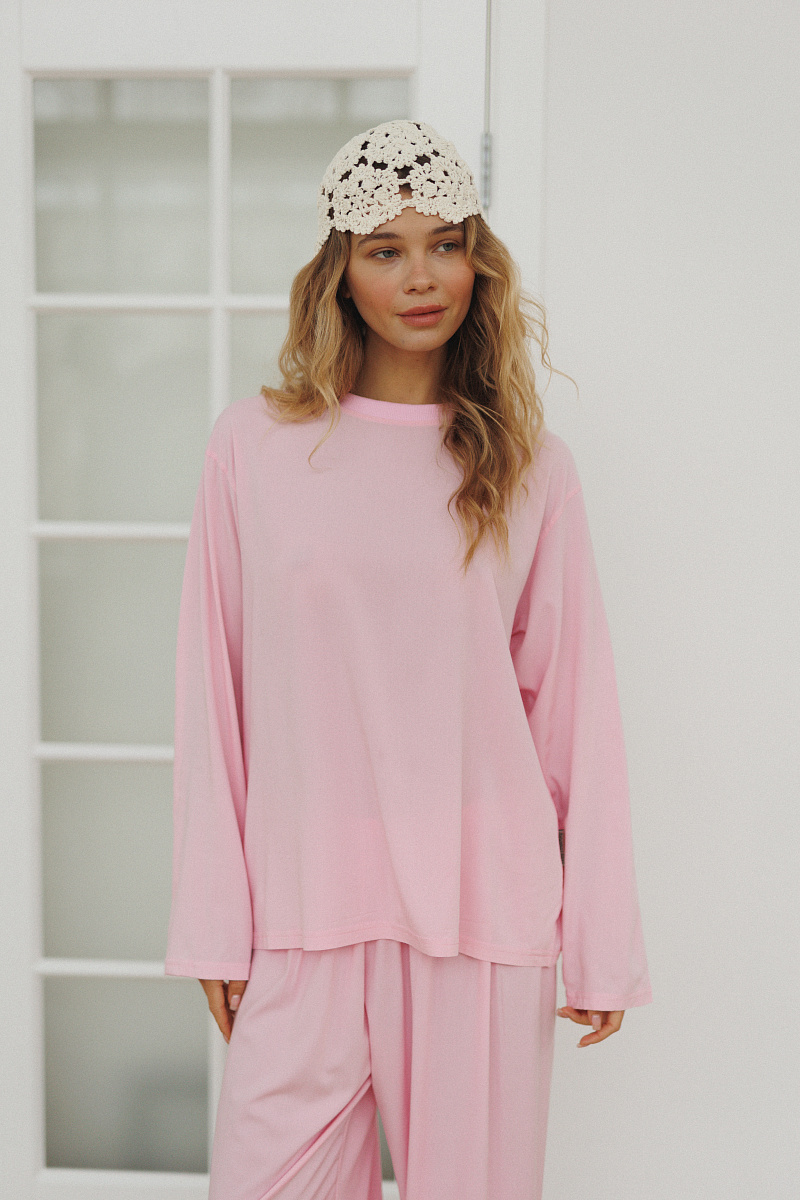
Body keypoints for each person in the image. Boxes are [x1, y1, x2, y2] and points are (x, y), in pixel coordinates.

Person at [165, 119, 652, 1200]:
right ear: (339, 272)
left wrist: (598, 938)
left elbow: (573, 712)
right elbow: (215, 692)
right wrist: (214, 924)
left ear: (479, 262)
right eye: (385, 250)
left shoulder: (529, 467)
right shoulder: (253, 446)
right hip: (301, 915)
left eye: (445, 244)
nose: (420, 277)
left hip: (481, 911)